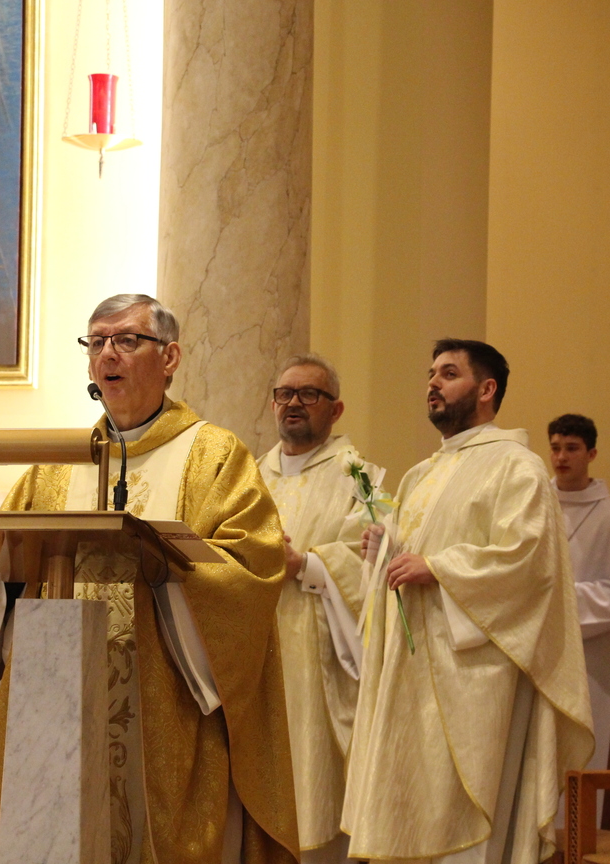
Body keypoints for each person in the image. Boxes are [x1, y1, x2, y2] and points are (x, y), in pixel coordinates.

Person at [0, 294, 298, 864]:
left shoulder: (213, 455)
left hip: (165, 704)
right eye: (96, 342)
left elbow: (252, 567)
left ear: (170, 358)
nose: (107, 354)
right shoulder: (58, 464)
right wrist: (15, 584)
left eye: (126, 340)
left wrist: (159, 565)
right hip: (59, 700)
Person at [342, 338, 593, 864]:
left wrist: (438, 568)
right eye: (431, 373)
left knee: (469, 830)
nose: (433, 383)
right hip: (411, 675)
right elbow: (410, 559)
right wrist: (383, 551)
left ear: (486, 389)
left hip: (474, 680)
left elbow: (529, 562)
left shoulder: (518, 467)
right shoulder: (421, 473)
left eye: (449, 373)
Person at [258, 354, 378, 864]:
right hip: (256, 653)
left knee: (316, 785)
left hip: (320, 658)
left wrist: (305, 564)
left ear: (336, 409)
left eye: (309, 394)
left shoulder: (360, 478)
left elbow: (370, 566)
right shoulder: (248, 476)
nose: (294, 404)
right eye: (285, 394)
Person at [547, 413, 610, 771]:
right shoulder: (535, 508)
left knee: (588, 755)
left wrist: (557, 601)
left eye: (572, 448)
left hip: (594, 662)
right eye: (555, 448)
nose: (561, 457)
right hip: (543, 652)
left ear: (592, 454)